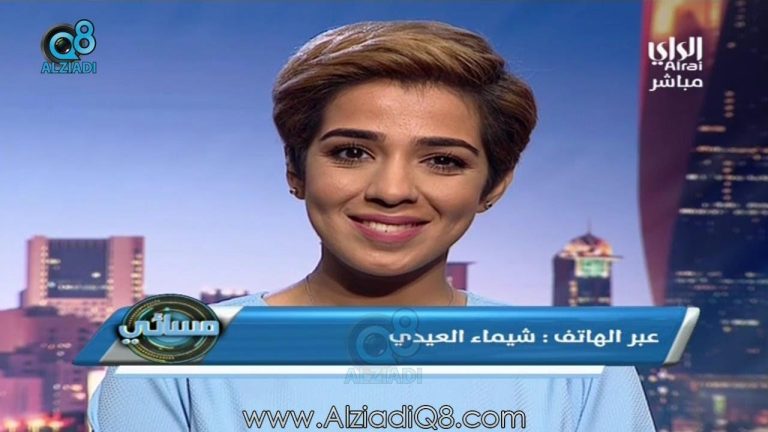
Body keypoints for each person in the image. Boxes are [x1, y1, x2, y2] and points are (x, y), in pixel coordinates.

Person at [88, 21, 656, 431]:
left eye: (443, 160)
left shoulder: (584, 367)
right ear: (296, 169)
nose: (391, 190)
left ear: (493, 186)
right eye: (352, 152)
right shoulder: (166, 361)